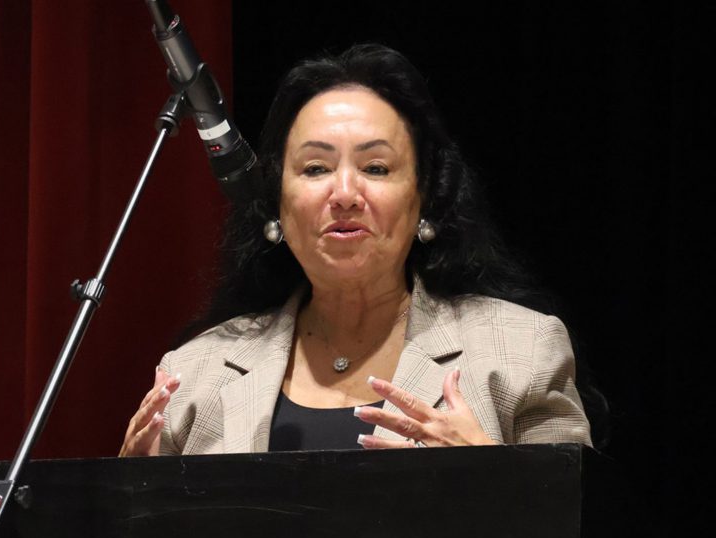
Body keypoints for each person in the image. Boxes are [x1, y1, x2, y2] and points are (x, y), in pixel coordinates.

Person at [120, 44, 599, 457]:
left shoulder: (521, 352)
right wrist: (128, 502)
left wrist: (495, 481)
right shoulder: (192, 376)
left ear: (424, 197)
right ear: (276, 204)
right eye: (314, 168)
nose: (345, 193)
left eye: (375, 168)